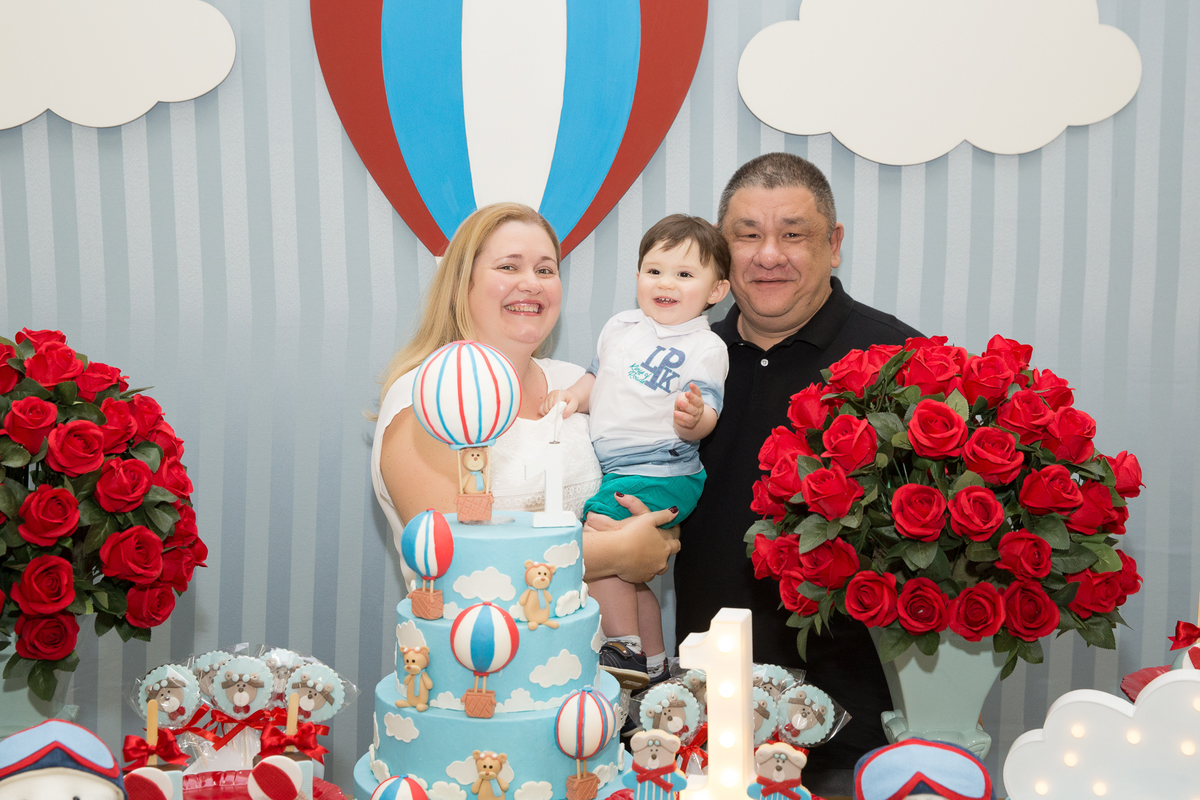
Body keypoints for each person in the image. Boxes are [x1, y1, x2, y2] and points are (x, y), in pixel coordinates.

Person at [673, 154, 922, 775]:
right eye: (747, 235)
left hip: (856, 729)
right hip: (703, 720)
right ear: (720, 248)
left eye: (792, 234)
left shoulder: (899, 360)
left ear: (833, 245)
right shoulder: (684, 360)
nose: (768, 255)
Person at [371, 202, 680, 607]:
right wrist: (618, 552)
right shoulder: (425, 399)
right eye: (508, 266)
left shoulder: (578, 385)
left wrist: (654, 526)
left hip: (609, 643)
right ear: (462, 283)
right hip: (481, 642)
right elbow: (458, 558)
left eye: (546, 270)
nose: (532, 283)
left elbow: (649, 488)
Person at [542, 214, 731, 689]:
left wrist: (693, 419)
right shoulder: (621, 327)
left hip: (661, 467)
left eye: (684, 274)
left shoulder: (705, 346)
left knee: (599, 536)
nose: (666, 283)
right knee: (628, 573)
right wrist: (574, 397)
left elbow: (709, 412)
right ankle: (656, 664)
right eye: (654, 270)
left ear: (716, 290)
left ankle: (622, 645)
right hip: (623, 469)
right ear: (638, 276)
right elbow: (596, 378)